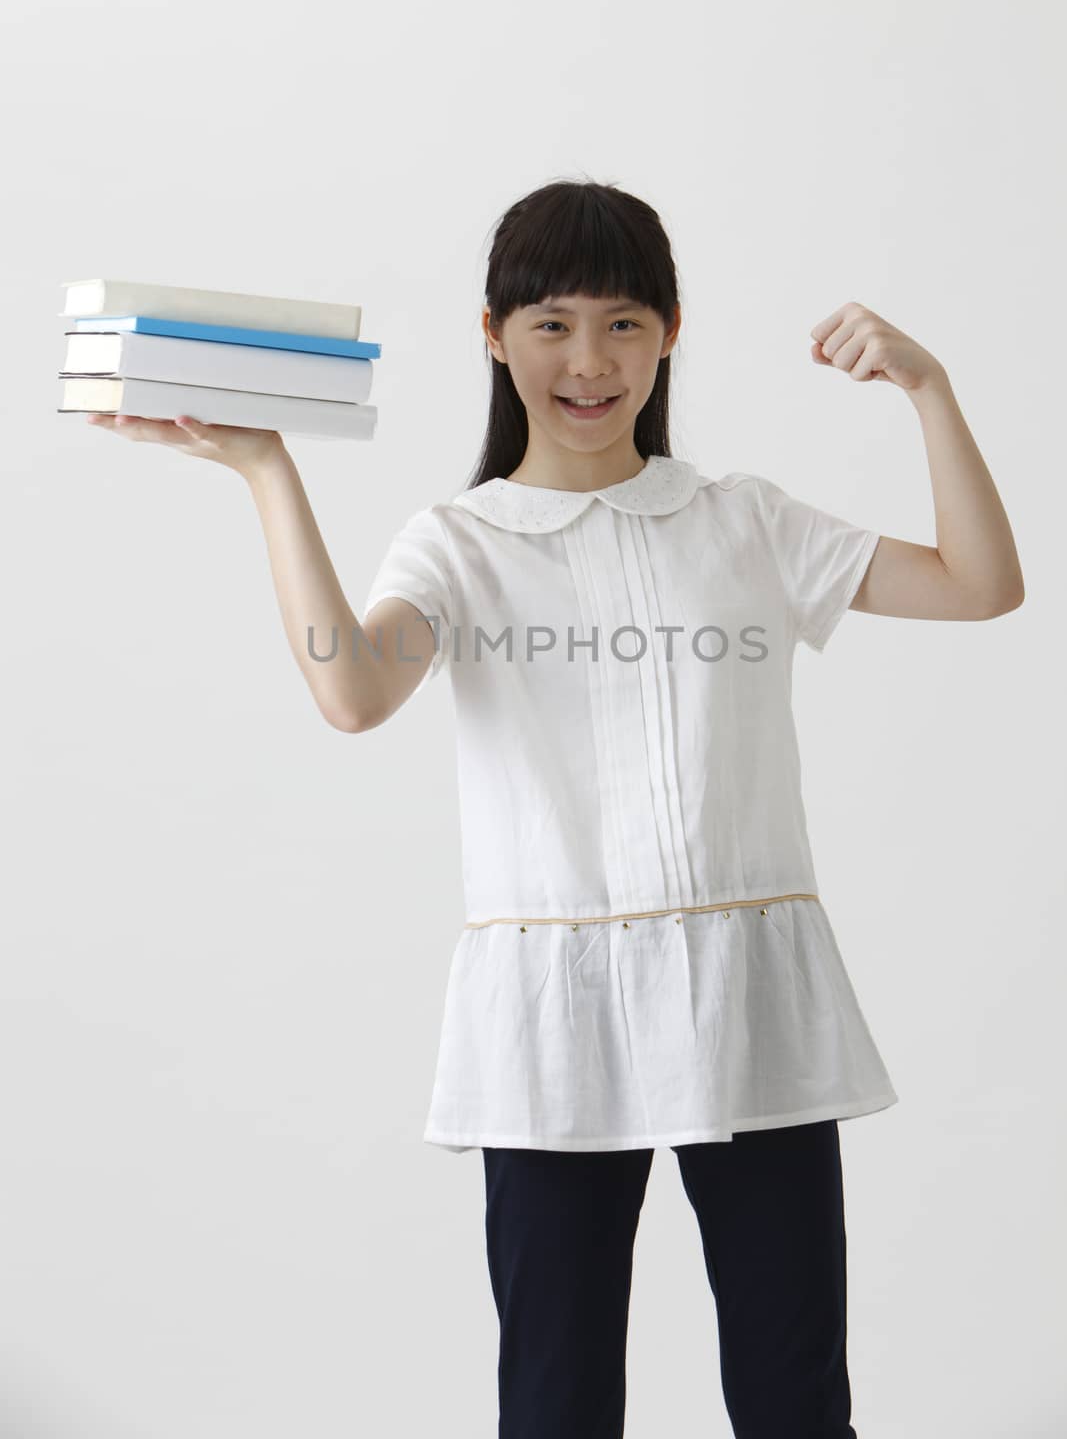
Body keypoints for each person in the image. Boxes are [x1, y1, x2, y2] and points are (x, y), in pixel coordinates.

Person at [87, 178, 1025, 1438]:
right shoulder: (460, 544)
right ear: (492, 334)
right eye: (550, 324)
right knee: (554, 1403)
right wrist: (265, 468)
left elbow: (979, 585)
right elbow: (352, 691)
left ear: (670, 332)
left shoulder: (740, 520)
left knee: (795, 1398)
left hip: (751, 1009)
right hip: (553, 1030)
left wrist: (927, 387)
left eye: (623, 323)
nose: (588, 361)